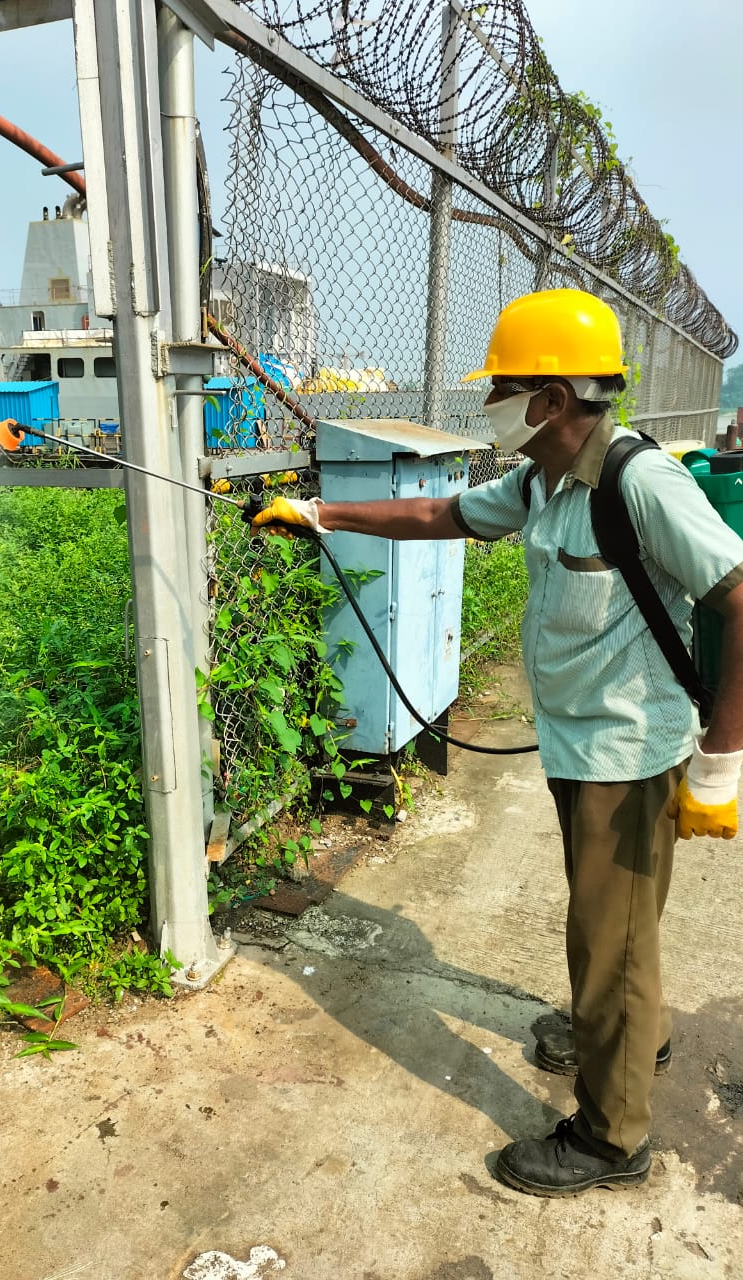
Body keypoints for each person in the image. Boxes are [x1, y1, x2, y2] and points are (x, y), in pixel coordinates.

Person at [247, 288, 743, 1197]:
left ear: (552, 399)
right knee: (617, 932)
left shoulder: (639, 484)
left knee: (608, 940)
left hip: (628, 757)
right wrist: (323, 515)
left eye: (503, 387)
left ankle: (611, 1137)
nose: (491, 407)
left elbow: (741, 598)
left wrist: (721, 759)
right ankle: (632, 1035)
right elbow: (445, 516)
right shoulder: (544, 480)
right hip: (576, 745)